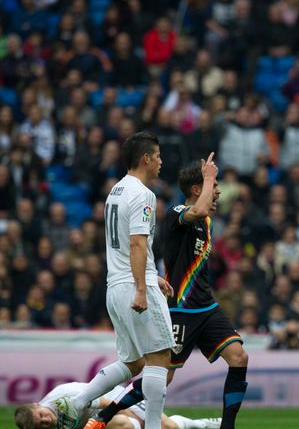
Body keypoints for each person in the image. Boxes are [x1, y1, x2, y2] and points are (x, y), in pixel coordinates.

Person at [83, 154, 250, 428]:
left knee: (239, 357)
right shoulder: (177, 214)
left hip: (206, 307)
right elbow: (197, 210)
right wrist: (208, 175)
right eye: (213, 185)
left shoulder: (206, 223)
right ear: (197, 189)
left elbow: (203, 215)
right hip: (180, 309)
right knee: (162, 376)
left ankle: (227, 426)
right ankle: (105, 413)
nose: (217, 191)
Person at [71, 132, 175, 429]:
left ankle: (78, 402)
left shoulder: (115, 191)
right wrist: (144, 287)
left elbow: (125, 245)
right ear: (145, 158)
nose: (160, 162)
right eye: (157, 156)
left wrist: (152, 276)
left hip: (114, 286)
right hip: (133, 286)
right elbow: (137, 244)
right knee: (159, 357)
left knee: (133, 362)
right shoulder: (143, 194)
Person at [14, 382, 221, 429]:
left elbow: (109, 403)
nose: (45, 421)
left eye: (40, 415)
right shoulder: (43, 425)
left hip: (117, 399)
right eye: (39, 425)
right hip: (96, 422)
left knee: (165, 427)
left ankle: (204, 424)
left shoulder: (66, 399)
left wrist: (141, 419)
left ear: (36, 404)